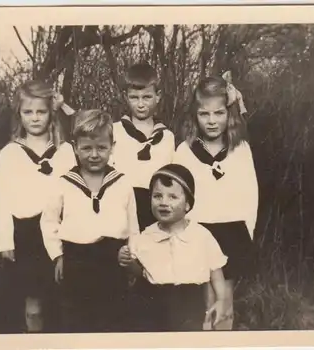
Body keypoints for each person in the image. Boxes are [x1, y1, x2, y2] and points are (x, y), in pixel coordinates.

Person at [40, 109, 140, 333]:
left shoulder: (122, 183)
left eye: (101, 148)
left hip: (113, 262)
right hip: (77, 261)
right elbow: (49, 222)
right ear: (75, 147)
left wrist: (131, 259)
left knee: (113, 321)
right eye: (86, 148)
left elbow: (134, 227)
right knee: (76, 320)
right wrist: (58, 255)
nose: (94, 155)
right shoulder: (64, 183)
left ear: (112, 147)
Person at [173, 75, 259, 330]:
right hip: (197, 234)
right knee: (199, 306)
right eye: (204, 114)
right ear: (195, 116)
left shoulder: (240, 149)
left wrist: (247, 233)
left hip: (231, 234)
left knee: (224, 305)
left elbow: (250, 195)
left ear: (228, 114)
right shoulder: (184, 151)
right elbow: (177, 198)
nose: (212, 121)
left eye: (219, 113)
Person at [0, 80, 76, 333]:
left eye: (41, 111)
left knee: (62, 302)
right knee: (33, 306)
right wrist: (5, 241)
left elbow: (75, 194)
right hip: (26, 235)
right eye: (28, 112)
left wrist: (65, 108)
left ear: (50, 112)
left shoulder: (65, 151)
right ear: (19, 114)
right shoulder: (10, 152)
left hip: (59, 233)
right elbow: (2, 199)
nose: (35, 118)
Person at [118, 164, 231, 331]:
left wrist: (221, 300)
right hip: (152, 301)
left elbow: (216, 271)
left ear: (187, 204)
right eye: (157, 196)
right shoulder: (146, 236)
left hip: (189, 302)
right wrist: (128, 262)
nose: (164, 203)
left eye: (173, 197)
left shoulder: (201, 235)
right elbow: (141, 273)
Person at [111, 62, 176, 232]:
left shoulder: (167, 138)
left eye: (146, 97)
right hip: (121, 208)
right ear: (126, 97)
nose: (140, 104)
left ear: (158, 96)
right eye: (134, 97)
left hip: (155, 212)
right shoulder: (115, 131)